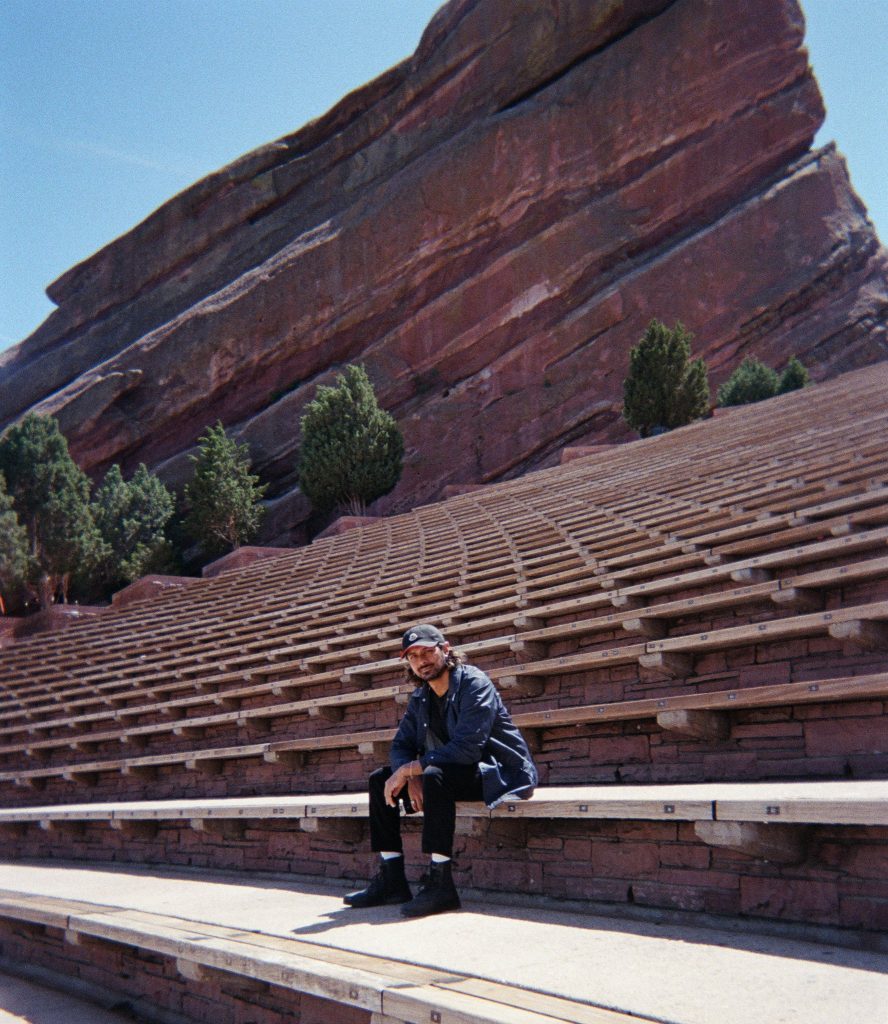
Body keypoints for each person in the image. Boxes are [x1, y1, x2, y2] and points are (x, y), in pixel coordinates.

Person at [344, 623, 538, 918]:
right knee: (380, 780)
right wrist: (409, 776)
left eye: (427, 652)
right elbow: (400, 746)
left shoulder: (474, 683)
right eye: (413, 657)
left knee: (434, 776)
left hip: (496, 773)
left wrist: (412, 771)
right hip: (452, 772)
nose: (421, 661)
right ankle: (392, 878)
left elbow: (468, 747)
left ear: (445, 650)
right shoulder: (421, 697)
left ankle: (441, 884)